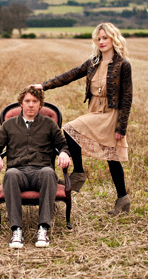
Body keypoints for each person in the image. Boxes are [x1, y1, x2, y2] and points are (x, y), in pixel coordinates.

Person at [30, 22, 133, 215]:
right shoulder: (93, 62)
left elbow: (127, 97)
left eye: (105, 38)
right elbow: (70, 75)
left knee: (111, 156)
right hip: (95, 110)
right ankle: (84, 177)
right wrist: (44, 85)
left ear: (113, 39)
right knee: (72, 130)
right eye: (98, 38)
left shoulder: (123, 65)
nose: (101, 42)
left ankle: (117, 197)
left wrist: (122, 127)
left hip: (111, 114)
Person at [0, 87, 70, 249]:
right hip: (18, 172)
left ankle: (43, 228)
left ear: (40, 105)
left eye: (35, 101)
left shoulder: (49, 124)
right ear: (21, 104)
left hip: (41, 171)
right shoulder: (9, 125)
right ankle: (16, 230)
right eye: (27, 101)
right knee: (10, 174)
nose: (31, 105)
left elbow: (63, 145)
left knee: (48, 173)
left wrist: (64, 153)